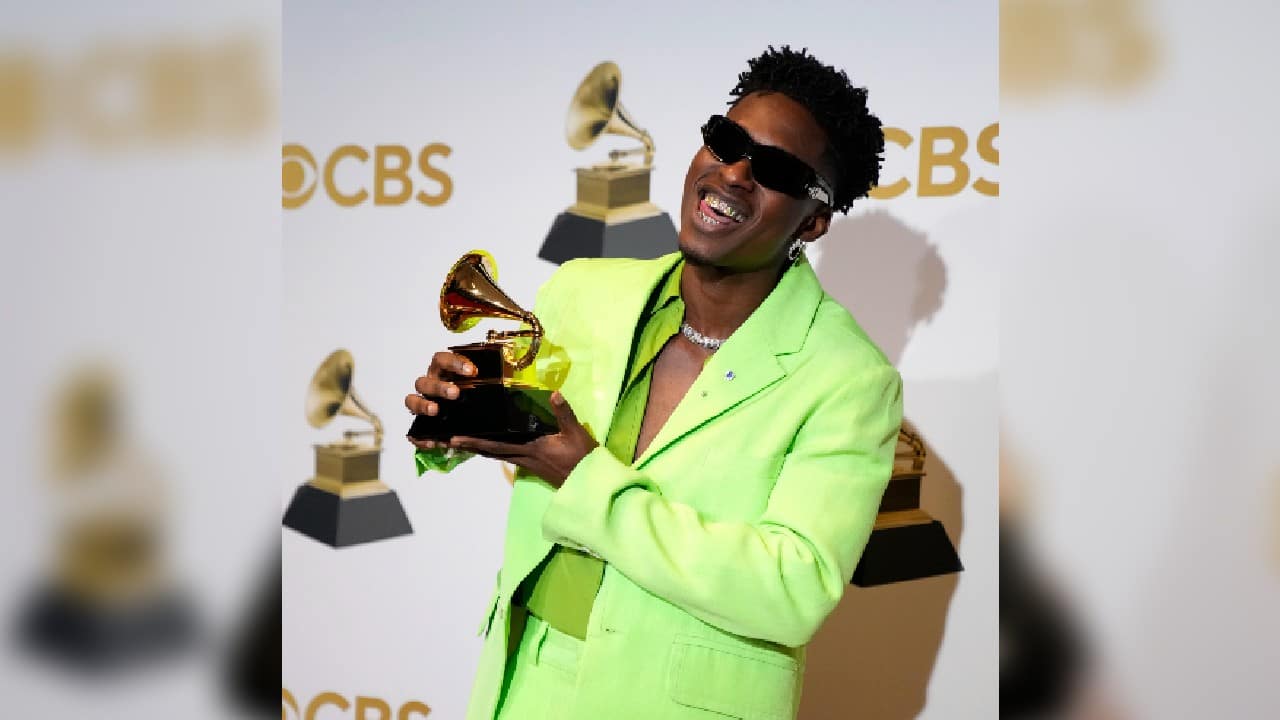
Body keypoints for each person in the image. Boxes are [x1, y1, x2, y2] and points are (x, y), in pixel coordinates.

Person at [406, 46, 901, 720]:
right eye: (725, 141)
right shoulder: (581, 290)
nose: (731, 174)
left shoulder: (848, 377)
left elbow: (791, 588)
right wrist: (451, 421)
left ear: (812, 221)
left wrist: (585, 479)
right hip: (523, 677)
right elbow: (520, 435)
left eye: (777, 169)